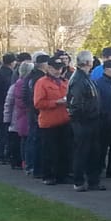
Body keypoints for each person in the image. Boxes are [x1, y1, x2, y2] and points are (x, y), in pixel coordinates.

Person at [65, 51, 105, 192]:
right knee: (82, 151)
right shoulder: (78, 79)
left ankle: (93, 180)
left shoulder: (85, 78)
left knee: (94, 152)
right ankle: (79, 180)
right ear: (88, 63)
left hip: (91, 120)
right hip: (83, 122)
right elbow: (76, 104)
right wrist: (86, 115)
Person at [33, 56, 71, 185]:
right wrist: (55, 102)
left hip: (64, 120)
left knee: (64, 150)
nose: (58, 71)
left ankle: (62, 175)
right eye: (55, 68)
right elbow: (38, 103)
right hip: (49, 122)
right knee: (49, 151)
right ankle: (48, 175)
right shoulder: (42, 82)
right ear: (49, 68)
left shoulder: (65, 82)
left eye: (60, 68)